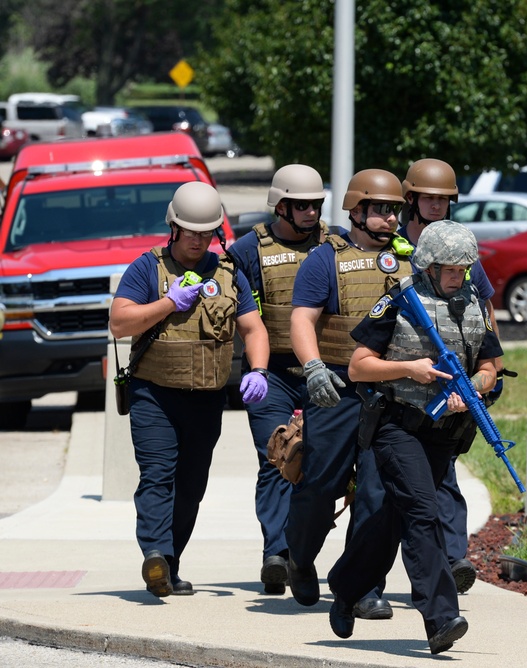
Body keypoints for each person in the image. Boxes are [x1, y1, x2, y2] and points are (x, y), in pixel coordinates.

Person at [327, 220, 502, 655]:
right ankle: (441, 618)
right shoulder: (398, 302)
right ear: (427, 265)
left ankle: (346, 585)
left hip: (443, 431)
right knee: (424, 513)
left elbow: (491, 366)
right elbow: (358, 367)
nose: (457, 277)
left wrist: (473, 388)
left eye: (463, 269)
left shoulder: (474, 302)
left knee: (392, 519)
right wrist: (409, 368)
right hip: (395, 426)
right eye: (449, 270)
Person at [109, 181, 270, 597]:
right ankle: (155, 553)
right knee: (158, 476)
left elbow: (252, 328)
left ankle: (169, 565)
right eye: (191, 231)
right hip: (154, 394)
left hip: (207, 399)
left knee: (191, 485)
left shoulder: (229, 272)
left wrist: (259, 370)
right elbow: (120, 322)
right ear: (174, 228)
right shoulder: (147, 268)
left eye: (206, 232)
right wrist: (168, 303)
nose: (198, 240)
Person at [286, 168, 413, 617]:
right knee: (320, 485)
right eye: (381, 211)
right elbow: (302, 319)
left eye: (395, 210)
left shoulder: (410, 260)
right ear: (356, 211)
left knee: (380, 494)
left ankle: (363, 586)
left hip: (392, 390)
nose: (390, 219)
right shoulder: (325, 259)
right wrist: (314, 367)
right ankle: (299, 557)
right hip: (337, 389)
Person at [393, 157, 499, 593]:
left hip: (452, 386)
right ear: (411, 199)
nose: (436, 205)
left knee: (445, 474)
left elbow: (483, 310)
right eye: (428, 198)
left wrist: (487, 368)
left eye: (444, 199)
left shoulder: (461, 251)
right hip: (397, 388)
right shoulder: (390, 249)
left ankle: (453, 559)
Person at [229, 164, 328, 595]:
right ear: (281, 206)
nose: (310, 213)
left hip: (324, 371)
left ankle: (299, 553)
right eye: (301, 205)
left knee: (322, 466)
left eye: (316, 205)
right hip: (272, 375)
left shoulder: (335, 243)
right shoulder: (247, 250)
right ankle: (277, 552)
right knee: (277, 456)